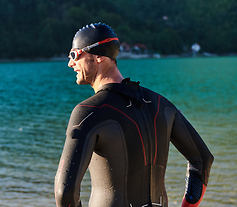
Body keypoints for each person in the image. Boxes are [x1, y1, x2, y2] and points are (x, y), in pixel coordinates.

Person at [54, 23, 214, 207]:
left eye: (75, 55)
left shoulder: (88, 112)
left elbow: (65, 192)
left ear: (98, 56)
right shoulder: (161, 104)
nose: (70, 63)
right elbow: (202, 159)